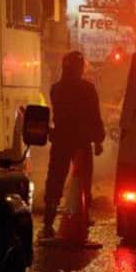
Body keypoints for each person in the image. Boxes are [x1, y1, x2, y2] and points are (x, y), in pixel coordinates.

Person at [39, 51, 105, 238]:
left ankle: (49, 214)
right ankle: (82, 212)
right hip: (82, 141)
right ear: (80, 68)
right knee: (83, 178)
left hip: (61, 140)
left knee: (56, 177)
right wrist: (98, 140)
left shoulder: (56, 89)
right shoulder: (88, 89)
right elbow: (94, 116)